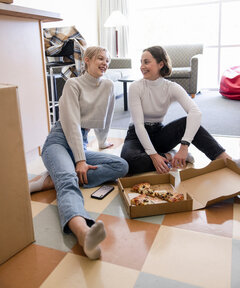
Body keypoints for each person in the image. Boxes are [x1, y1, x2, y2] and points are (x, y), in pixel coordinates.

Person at [29, 46, 129, 260]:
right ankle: (84, 233)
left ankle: (52, 179)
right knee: (68, 182)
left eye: (108, 60)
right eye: (100, 58)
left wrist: (102, 143)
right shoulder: (73, 84)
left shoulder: (108, 85)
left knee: (121, 165)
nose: (105, 63)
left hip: (80, 143)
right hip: (58, 141)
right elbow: (72, 124)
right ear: (87, 61)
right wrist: (81, 160)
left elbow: (106, 117)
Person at [121, 45, 240, 175]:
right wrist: (154, 155)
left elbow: (195, 112)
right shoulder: (135, 87)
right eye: (141, 62)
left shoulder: (171, 87)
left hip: (158, 133)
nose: (142, 66)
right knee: (129, 163)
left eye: (146, 62)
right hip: (136, 136)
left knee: (188, 122)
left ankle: (229, 161)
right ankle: (169, 155)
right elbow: (138, 125)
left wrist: (184, 146)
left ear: (161, 64)